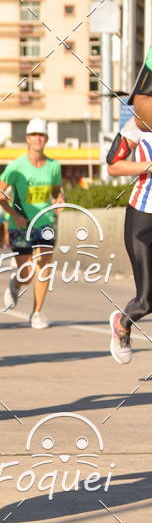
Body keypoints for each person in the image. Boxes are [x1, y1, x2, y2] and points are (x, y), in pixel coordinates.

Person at [0, 118, 64, 329]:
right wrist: (12, 213)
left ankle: (37, 313)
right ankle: (15, 283)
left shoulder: (54, 166)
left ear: (46, 139)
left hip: (45, 223)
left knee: (44, 266)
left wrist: (60, 201)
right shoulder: (16, 166)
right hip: (21, 224)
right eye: (34, 135)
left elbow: (57, 193)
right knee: (27, 272)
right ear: (27, 139)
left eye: (41, 135)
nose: (38, 139)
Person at [107, 112, 152, 362]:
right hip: (143, 219)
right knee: (146, 301)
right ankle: (122, 324)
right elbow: (113, 164)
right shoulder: (139, 122)